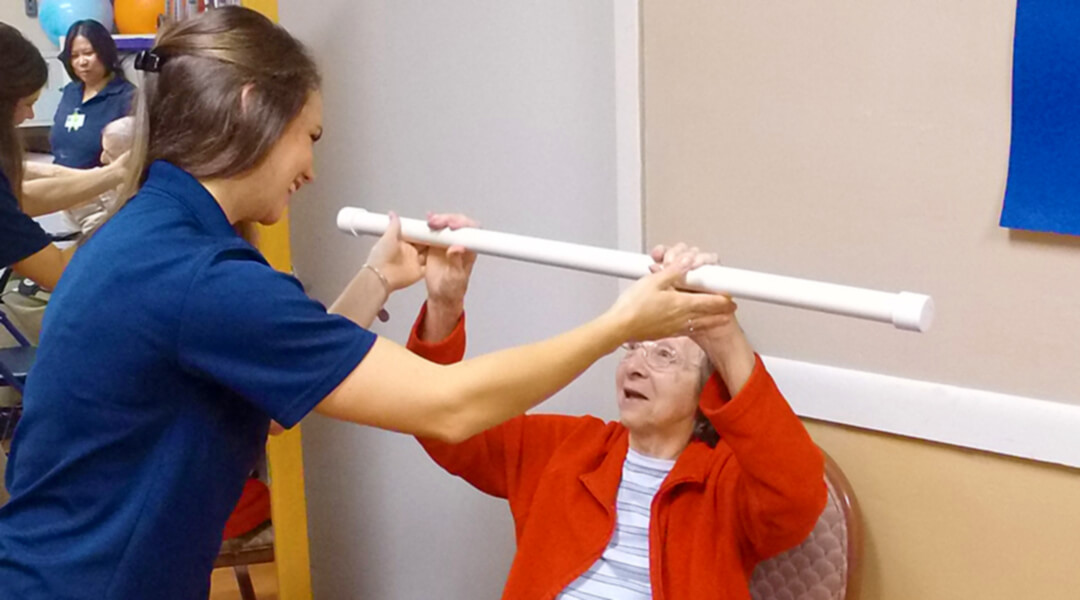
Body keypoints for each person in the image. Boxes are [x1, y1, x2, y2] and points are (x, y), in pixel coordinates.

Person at [0, 8, 733, 600]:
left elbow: (293, 375)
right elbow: (448, 406)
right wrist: (623, 325)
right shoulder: (198, 274)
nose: (312, 168)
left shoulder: (154, 235)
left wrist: (378, 281)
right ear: (256, 107)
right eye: (309, 137)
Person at [410, 237, 829, 600]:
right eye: (631, 347)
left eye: (663, 355)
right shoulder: (566, 447)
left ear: (706, 392)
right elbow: (443, 424)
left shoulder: (726, 482)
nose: (635, 366)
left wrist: (721, 331)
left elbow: (798, 495)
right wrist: (444, 303)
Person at [49, 19, 135, 169]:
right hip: (60, 180)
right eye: (74, 56)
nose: (82, 62)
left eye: (88, 53)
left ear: (105, 53)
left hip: (102, 185)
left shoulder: (128, 97)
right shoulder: (70, 91)